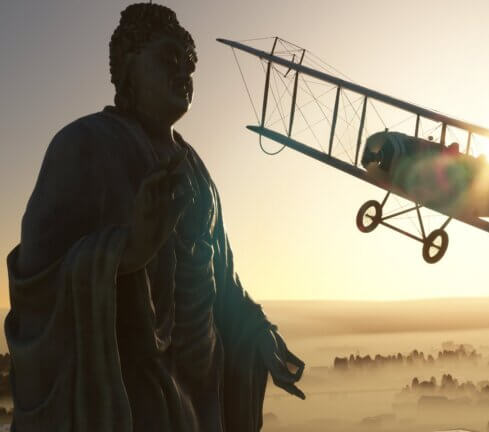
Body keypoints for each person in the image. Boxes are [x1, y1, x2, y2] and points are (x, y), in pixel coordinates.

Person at [5, 3, 304, 431]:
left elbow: (223, 280)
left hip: (206, 392)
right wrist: (126, 251)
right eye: (168, 59)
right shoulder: (84, 146)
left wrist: (257, 332)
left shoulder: (197, 170)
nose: (183, 73)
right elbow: (38, 280)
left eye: (190, 65)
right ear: (128, 67)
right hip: (135, 395)